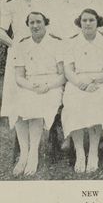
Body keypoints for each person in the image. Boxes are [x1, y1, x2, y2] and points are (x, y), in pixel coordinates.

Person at [11, 11, 65, 176]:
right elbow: (19, 77)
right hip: (30, 85)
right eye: (31, 23)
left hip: (52, 86)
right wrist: (31, 86)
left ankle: (33, 153)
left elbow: (63, 75)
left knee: (35, 109)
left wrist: (47, 86)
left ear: (45, 23)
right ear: (28, 25)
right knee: (18, 108)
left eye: (38, 22)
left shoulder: (56, 43)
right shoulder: (22, 45)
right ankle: (24, 154)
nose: (35, 26)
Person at [61, 9, 103, 173]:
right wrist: (79, 83)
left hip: (100, 82)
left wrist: (93, 80)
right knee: (72, 104)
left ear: (98, 22)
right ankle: (80, 152)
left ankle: (93, 152)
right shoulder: (71, 42)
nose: (88, 23)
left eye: (92, 20)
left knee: (99, 103)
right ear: (79, 22)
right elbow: (68, 70)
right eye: (84, 20)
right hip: (77, 83)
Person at [0, 0, 48, 123]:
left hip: (40, 47)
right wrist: (14, 45)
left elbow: (50, 26)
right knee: (17, 91)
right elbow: (1, 30)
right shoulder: (10, 3)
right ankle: (18, 131)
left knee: (38, 88)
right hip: (18, 49)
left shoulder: (43, 2)